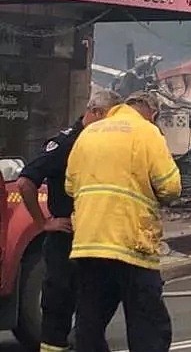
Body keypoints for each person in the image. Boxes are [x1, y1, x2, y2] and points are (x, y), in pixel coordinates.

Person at [65, 91, 180, 352]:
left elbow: (70, 186)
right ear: (154, 114)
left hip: (89, 243)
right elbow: (171, 187)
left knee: (90, 320)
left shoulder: (89, 134)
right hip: (131, 243)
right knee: (147, 323)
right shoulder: (147, 133)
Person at [17, 90, 121, 352]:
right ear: (96, 113)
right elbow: (26, 181)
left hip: (92, 238)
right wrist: (43, 223)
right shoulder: (66, 143)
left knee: (93, 304)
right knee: (58, 308)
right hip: (65, 240)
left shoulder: (98, 143)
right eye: (109, 118)